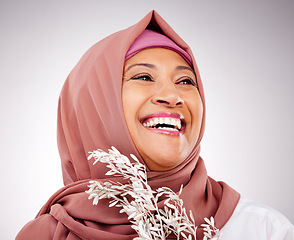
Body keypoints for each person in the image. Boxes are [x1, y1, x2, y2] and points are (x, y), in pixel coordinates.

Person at [16, 10, 293, 240]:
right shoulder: (44, 236)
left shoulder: (261, 230)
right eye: (144, 77)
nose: (172, 97)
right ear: (94, 107)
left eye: (185, 81)